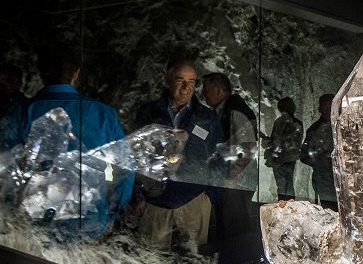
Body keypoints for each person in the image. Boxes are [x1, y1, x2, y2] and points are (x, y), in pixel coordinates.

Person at [19, 47, 133, 237]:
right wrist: (111, 214)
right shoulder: (104, 114)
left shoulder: (22, 113)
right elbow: (125, 170)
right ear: (76, 74)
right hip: (89, 222)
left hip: (34, 224)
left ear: (40, 74)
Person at [133, 59, 225, 252]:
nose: (186, 87)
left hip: (193, 200)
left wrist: (210, 196)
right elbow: (136, 156)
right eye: (180, 80)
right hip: (155, 202)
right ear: (168, 80)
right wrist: (138, 196)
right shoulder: (148, 113)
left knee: (192, 263)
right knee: (151, 262)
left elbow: (220, 157)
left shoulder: (207, 118)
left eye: (191, 81)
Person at [201, 72, 258, 240]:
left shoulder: (235, 110)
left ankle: (237, 262)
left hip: (236, 180)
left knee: (235, 226)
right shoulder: (222, 111)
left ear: (219, 90)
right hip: (229, 178)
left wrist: (231, 178)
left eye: (206, 89)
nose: (203, 94)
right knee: (227, 224)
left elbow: (249, 147)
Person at [300, 93, 337, 210]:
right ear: (319, 109)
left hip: (343, 180)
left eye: (330, 107)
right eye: (325, 107)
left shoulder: (342, 124)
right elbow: (304, 155)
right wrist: (321, 161)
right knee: (330, 212)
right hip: (324, 181)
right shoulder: (314, 129)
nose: (327, 110)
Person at [264, 96, 303, 201]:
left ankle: (284, 207)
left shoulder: (279, 122)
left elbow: (277, 140)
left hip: (282, 158)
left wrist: (273, 143)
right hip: (288, 158)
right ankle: (289, 208)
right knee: (288, 184)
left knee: (282, 186)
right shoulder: (297, 123)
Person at [0, 63, 27, 151]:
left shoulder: (28, 107)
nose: (5, 83)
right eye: (1, 80)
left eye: (10, 79)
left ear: (20, 82)